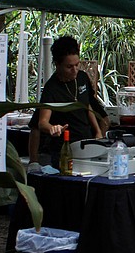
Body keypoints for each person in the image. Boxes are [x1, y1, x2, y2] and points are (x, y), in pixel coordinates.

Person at [34, 36, 105, 170]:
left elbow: (87, 106)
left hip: (87, 144)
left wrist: (98, 131)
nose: (74, 70)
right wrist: (52, 128)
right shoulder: (52, 88)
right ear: (57, 64)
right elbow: (42, 122)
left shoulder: (82, 77)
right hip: (65, 149)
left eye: (77, 65)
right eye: (69, 67)